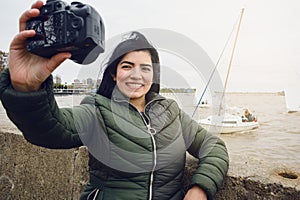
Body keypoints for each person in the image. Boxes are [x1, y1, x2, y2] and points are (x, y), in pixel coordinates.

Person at [0, 1, 229, 199]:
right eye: (127, 66)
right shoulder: (97, 110)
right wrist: (27, 86)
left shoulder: (171, 111)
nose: (136, 75)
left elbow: (213, 146)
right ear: (114, 73)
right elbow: (50, 128)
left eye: (145, 68)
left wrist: (200, 187)